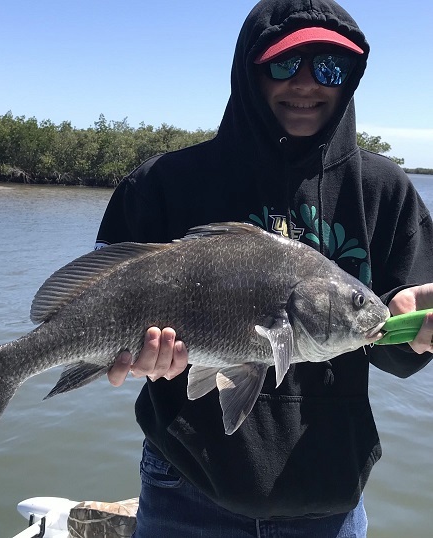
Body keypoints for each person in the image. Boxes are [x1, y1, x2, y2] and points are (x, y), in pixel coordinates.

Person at [95, 0, 433, 536]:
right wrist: (136, 359)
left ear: (351, 77)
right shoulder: (165, 184)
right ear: (249, 70)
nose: (305, 84)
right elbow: (105, 301)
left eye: (328, 67)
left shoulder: (384, 191)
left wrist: (414, 331)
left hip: (330, 499)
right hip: (186, 490)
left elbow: (389, 345)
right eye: (282, 65)